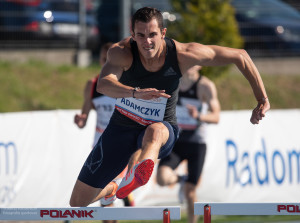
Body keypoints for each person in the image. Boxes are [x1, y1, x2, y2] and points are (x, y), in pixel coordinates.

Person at [69, 7, 270, 207]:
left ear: (163, 33)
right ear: (132, 34)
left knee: (153, 132)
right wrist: (135, 92)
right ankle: (115, 187)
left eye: (152, 35)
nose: (147, 42)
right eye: (140, 35)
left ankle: (137, 173)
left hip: (162, 128)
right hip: (121, 127)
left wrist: (261, 98)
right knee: (78, 203)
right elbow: (103, 84)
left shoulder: (182, 54)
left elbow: (240, 55)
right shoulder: (121, 52)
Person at [73, 42, 134, 222]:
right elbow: (84, 114)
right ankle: (124, 196)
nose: (105, 62)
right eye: (103, 58)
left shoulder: (128, 86)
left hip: (123, 144)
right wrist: (81, 119)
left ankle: (124, 193)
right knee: (106, 192)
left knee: (106, 187)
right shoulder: (93, 85)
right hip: (100, 145)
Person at [156, 65, 220, 223]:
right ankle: (181, 180)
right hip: (175, 142)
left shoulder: (205, 86)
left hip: (196, 143)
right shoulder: (172, 82)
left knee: (190, 192)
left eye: (192, 62)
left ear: (199, 65)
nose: (187, 65)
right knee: (162, 179)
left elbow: (216, 117)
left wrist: (198, 116)